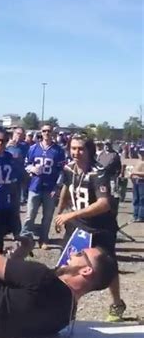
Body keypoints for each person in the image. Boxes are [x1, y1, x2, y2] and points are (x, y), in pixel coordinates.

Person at [55, 134, 126, 322]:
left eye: (81, 149)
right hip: (77, 224)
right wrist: (60, 211)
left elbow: (104, 204)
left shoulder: (98, 172)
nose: (76, 153)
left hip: (100, 226)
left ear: (89, 150)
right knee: (66, 264)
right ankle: (66, 307)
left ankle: (117, 303)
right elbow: (66, 188)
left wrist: (72, 214)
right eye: (73, 148)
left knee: (107, 265)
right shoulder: (69, 168)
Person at [21, 124, 66, 249]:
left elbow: (62, 170)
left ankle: (43, 239)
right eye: (44, 131)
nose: (47, 133)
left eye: (49, 131)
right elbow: (26, 164)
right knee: (30, 214)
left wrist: (57, 187)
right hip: (35, 186)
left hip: (50, 188)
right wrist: (32, 168)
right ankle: (24, 238)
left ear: (53, 133)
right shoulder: (33, 148)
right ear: (41, 132)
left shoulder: (58, 150)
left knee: (47, 216)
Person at [6, 127, 29, 234]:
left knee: (16, 207)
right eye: (17, 133)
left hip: (18, 180)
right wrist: (6, 146)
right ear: (13, 134)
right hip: (5, 180)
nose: (19, 136)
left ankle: (16, 232)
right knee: (4, 207)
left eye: (21, 134)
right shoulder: (6, 145)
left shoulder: (25, 146)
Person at [97, 140, 122, 214]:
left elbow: (118, 166)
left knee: (112, 192)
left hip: (111, 176)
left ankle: (112, 208)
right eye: (105, 145)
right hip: (101, 176)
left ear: (111, 145)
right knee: (102, 192)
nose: (106, 146)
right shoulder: (101, 154)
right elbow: (97, 163)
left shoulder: (115, 154)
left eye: (108, 145)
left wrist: (117, 175)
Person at [130, 147, 144, 222]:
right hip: (136, 181)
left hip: (142, 181)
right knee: (136, 199)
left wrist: (135, 173)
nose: (142, 154)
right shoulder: (138, 161)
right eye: (141, 153)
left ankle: (141, 216)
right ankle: (135, 215)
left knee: (142, 199)